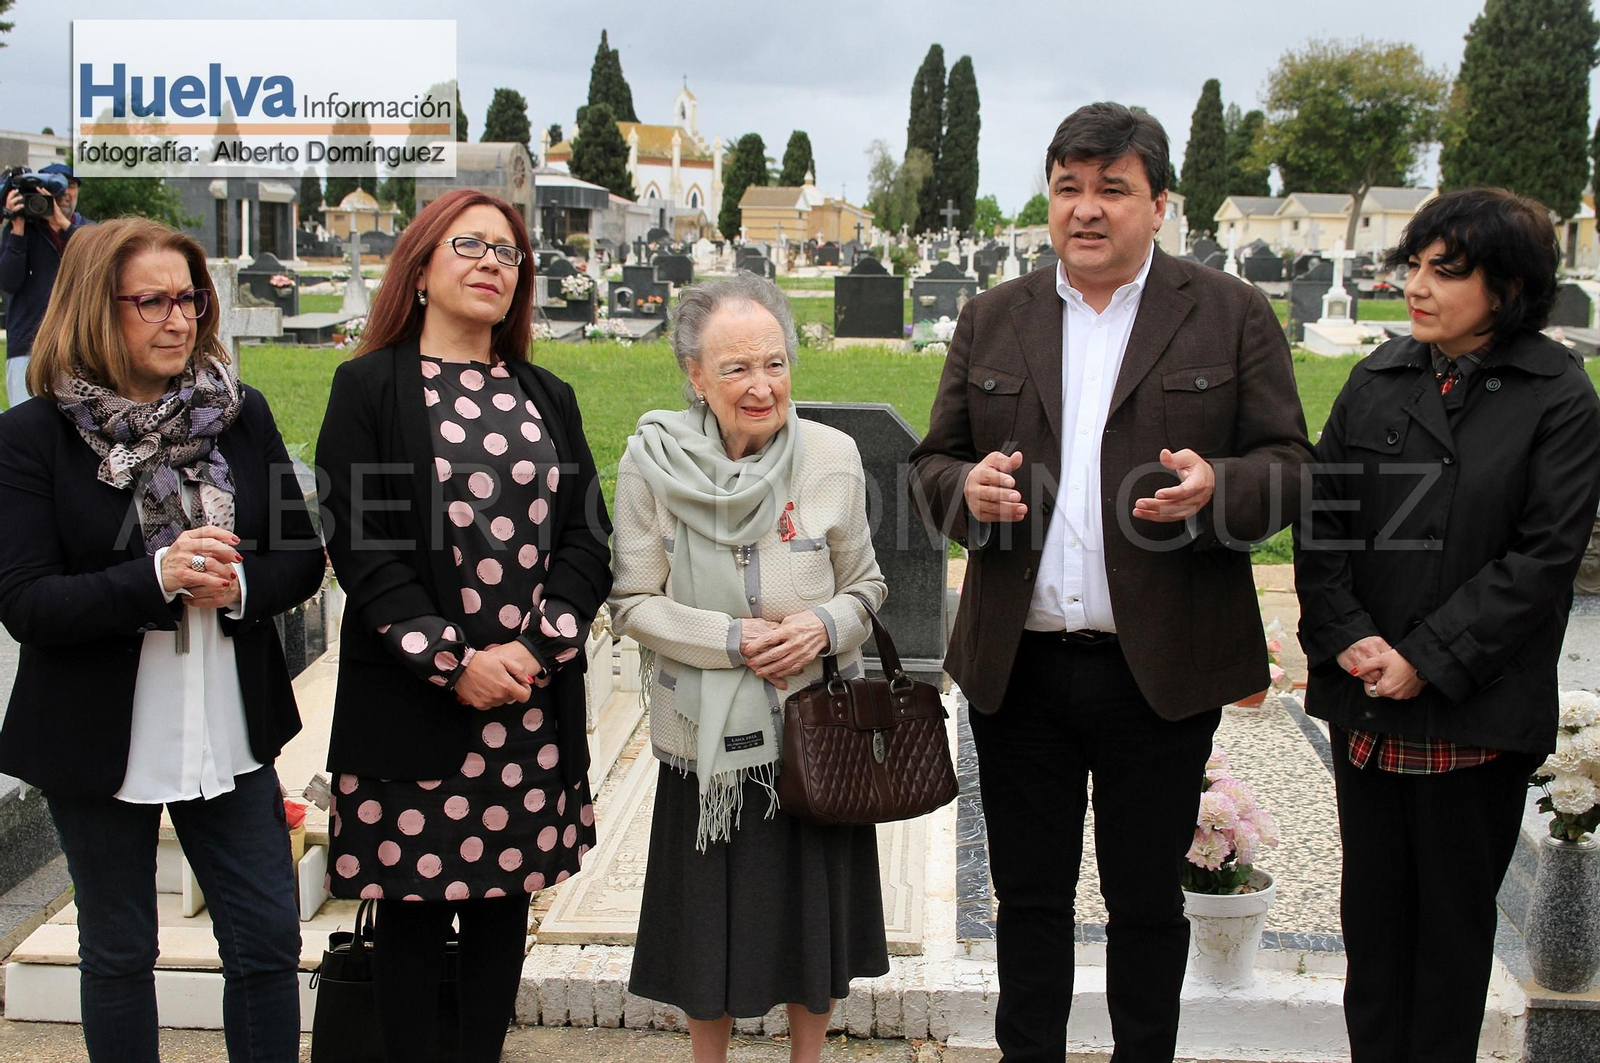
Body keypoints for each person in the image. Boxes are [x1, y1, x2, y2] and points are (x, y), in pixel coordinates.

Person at [908, 101, 1313, 1062]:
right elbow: (930, 467)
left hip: (1160, 673)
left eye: (1113, 190)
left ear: (1159, 203)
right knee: (1030, 899)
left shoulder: (1227, 313)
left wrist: (1221, 490)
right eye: (1069, 188)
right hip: (1022, 669)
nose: (1086, 210)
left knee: (1143, 904)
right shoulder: (991, 316)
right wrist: (966, 488)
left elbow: (1291, 463)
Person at [0, 217, 324, 1062]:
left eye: (189, 298)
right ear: (92, 307)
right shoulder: (32, 436)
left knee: (263, 942)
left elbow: (300, 554)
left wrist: (240, 582)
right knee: (118, 953)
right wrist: (157, 578)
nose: (178, 319)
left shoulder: (238, 413)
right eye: (151, 300)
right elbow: (26, 601)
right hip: (97, 735)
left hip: (228, 728)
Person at [1295, 187, 1600, 1061]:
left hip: (1472, 715)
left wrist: (1426, 658)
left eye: (1446, 271)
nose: (1416, 287)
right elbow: (1323, 522)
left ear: (1506, 288)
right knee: (1377, 941)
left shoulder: (1560, 398)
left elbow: (1542, 561)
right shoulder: (1378, 376)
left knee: (1450, 949)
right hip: (1369, 707)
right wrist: (1348, 633)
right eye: (1416, 267)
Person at [316, 188, 612, 1063]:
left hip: (527, 701)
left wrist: (535, 648)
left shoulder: (545, 394)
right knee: (410, 923)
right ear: (420, 267)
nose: (493, 263)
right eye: (471, 245)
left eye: (509, 253)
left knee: (499, 914)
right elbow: (359, 540)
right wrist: (452, 662)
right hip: (417, 706)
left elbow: (588, 534)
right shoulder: (367, 386)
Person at [609, 273, 889, 1063]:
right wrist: (734, 638)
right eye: (736, 368)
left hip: (814, 732)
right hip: (704, 737)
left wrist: (818, 626)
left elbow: (867, 586)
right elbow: (632, 598)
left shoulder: (833, 456)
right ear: (694, 375)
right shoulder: (651, 462)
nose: (761, 385)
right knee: (708, 929)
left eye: (774, 362)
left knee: (813, 920)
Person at [0, 162, 91, 407]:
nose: (63, 193)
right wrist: (17, 228)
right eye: (55, 186)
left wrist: (63, 225)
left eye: (70, 186)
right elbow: (8, 282)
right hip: (27, 346)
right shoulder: (21, 229)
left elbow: (97, 270)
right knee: (25, 428)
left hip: (77, 346)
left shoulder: (88, 232)